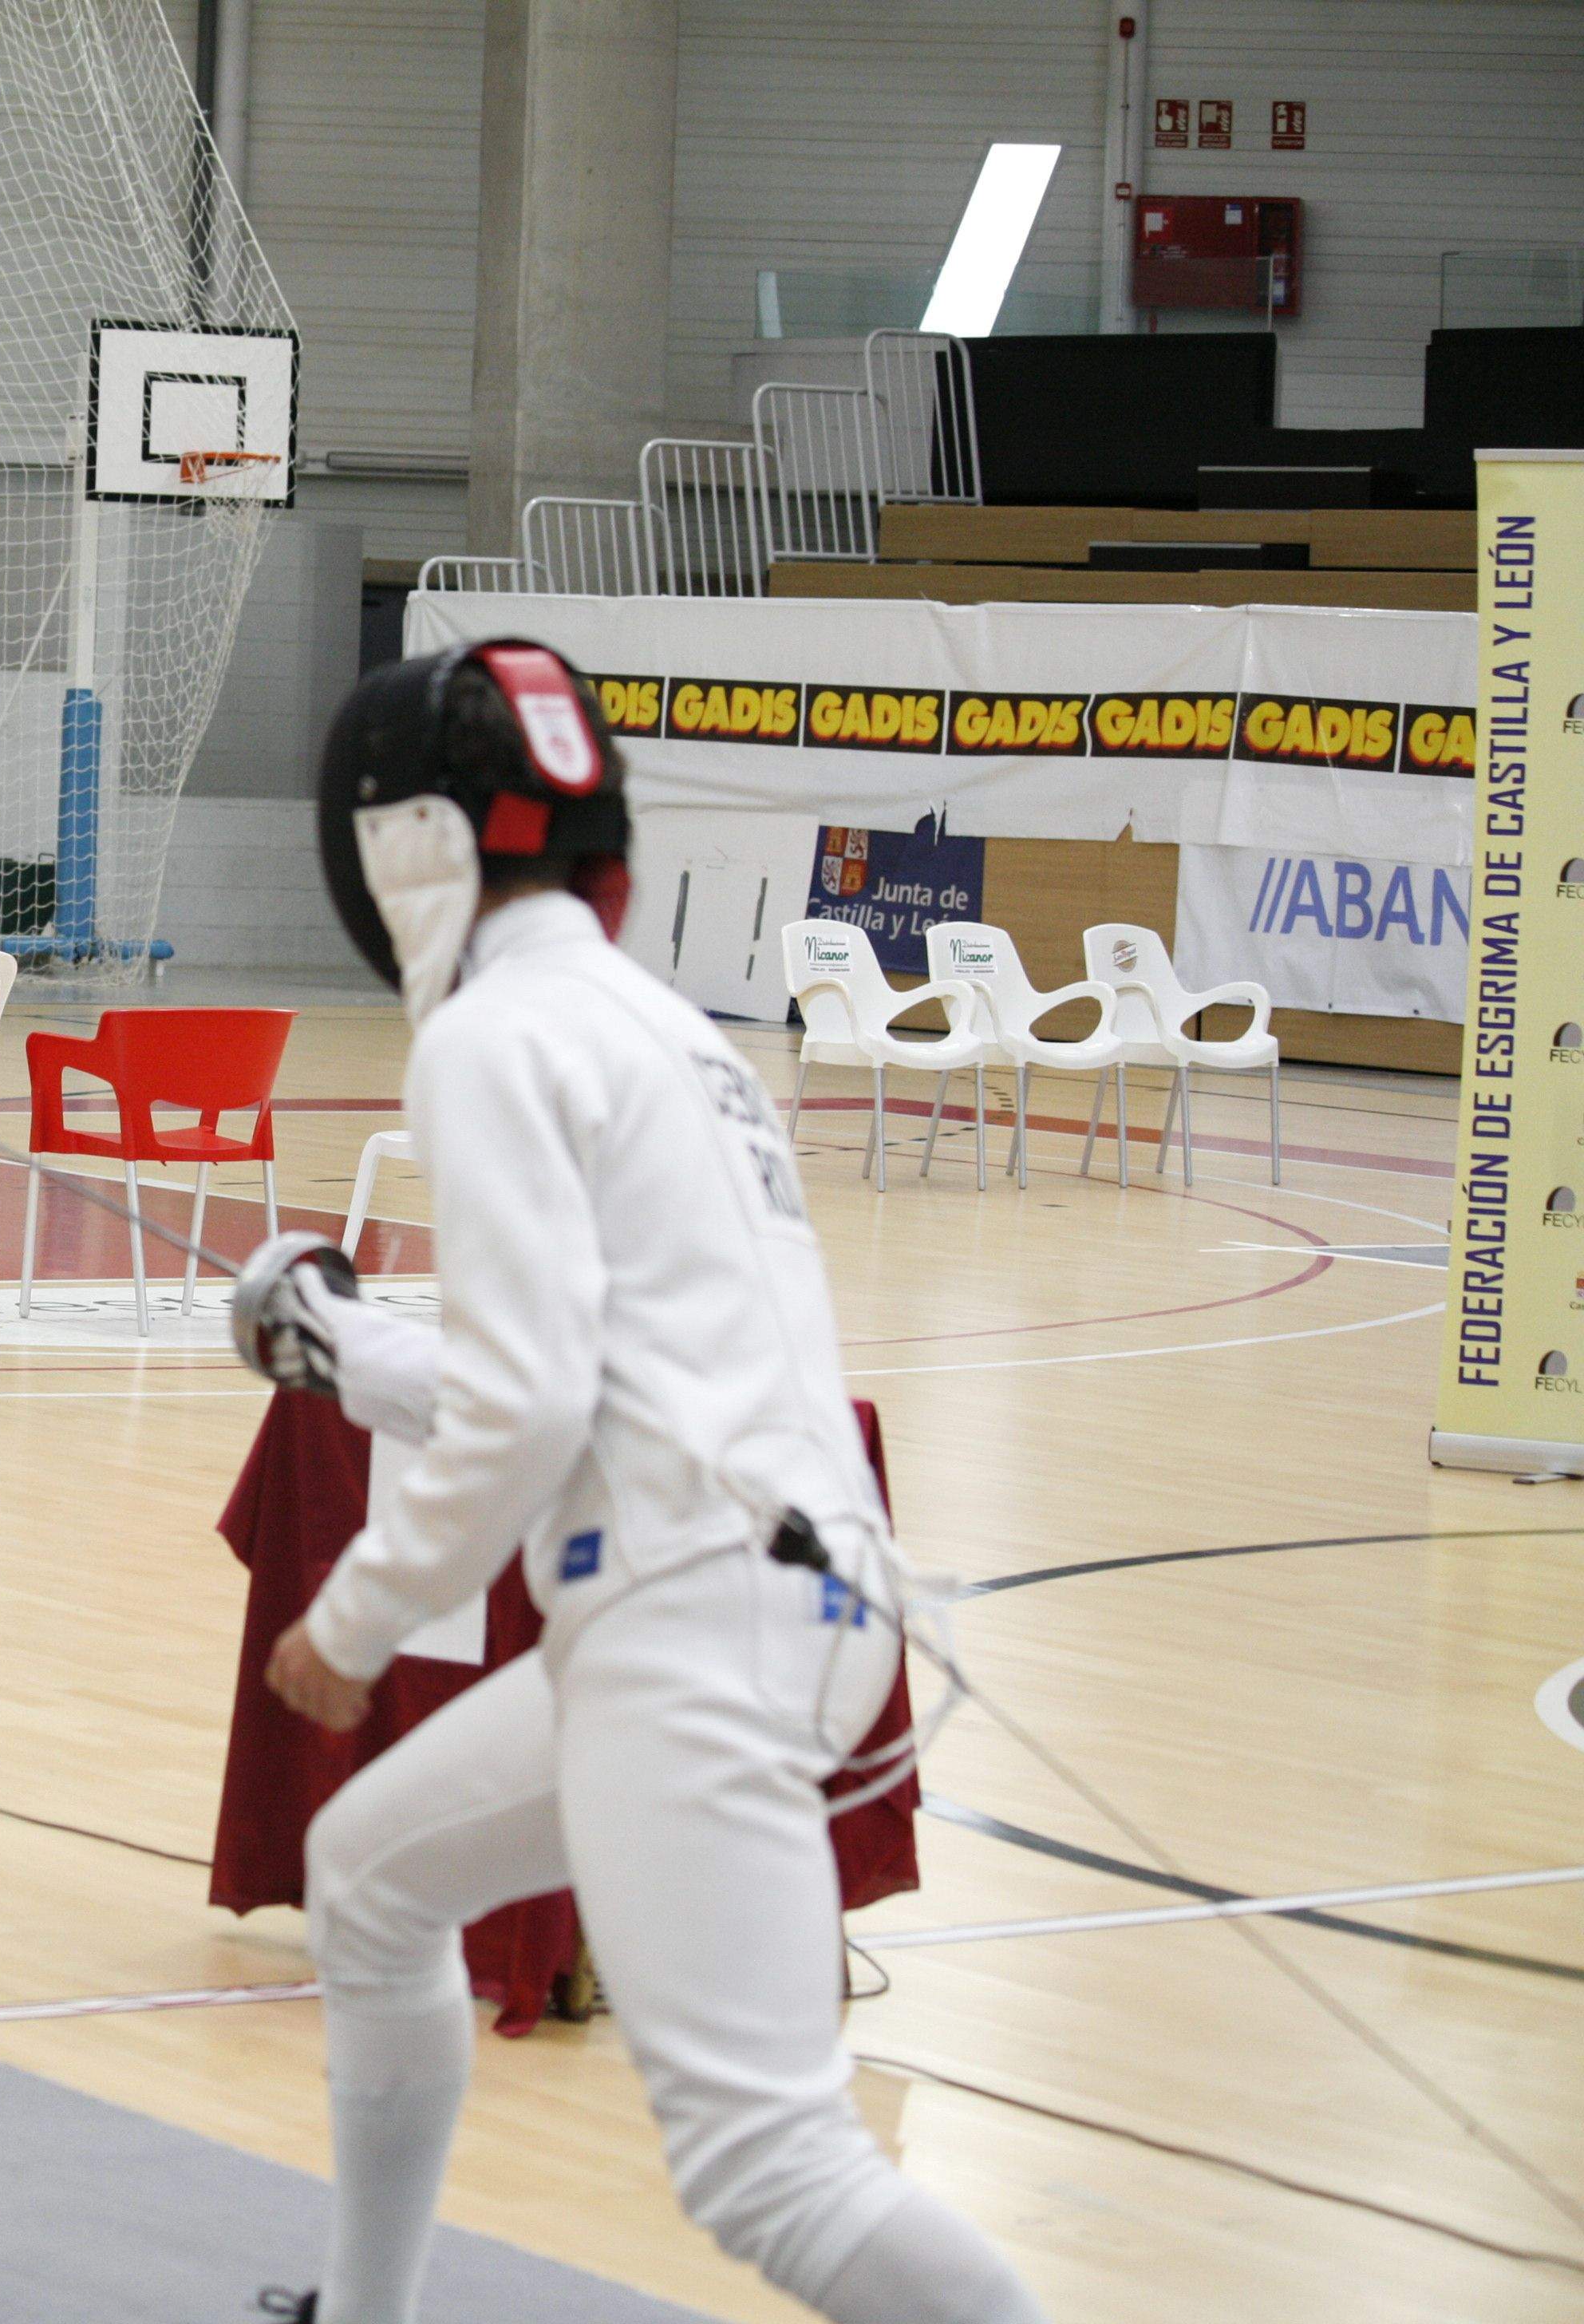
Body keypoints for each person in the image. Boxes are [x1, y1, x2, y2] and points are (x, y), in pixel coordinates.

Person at [232, 640, 1041, 2324]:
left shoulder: (493, 1040)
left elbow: (526, 1406)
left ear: (398, 852)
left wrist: (358, 1616)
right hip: (783, 1599)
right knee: (374, 1878)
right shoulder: (673, 1034)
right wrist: (338, 1342)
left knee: (772, 2168)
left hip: (695, 1622)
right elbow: (580, 1363)